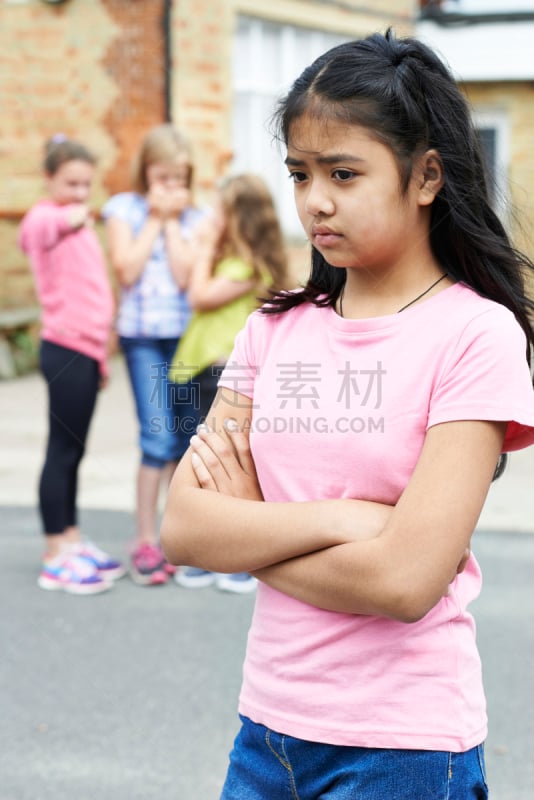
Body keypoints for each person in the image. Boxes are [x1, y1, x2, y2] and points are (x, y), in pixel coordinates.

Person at [160, 30, 534, 798]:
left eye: (343, 172)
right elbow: (185, 531)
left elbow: (405, 582)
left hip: (404, 747)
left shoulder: (474, 334)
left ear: (426, 175)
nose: (314, 200)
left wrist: (251, 531)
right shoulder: (274, 327)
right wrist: (349, 519)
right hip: (266, 735)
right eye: (300, 173)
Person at [170, 174, 287, 594]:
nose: (211, 218)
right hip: (200, 369)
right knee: (205, 464)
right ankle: (209, 555)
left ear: (238, 218)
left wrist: (203, 246)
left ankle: (235, 559)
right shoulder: (231, 261)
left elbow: (198, 295)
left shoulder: (244, 266)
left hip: (221, 374)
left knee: (223, 463)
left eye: (219, 211)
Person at [19, 135, 124, 595]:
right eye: (71, 183)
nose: (81, 193)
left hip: (85, 352)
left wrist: (101, 357)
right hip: (63, 349)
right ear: (50, 179)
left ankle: (72, 540)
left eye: (87, 185)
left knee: (75, 450)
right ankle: (54, 554)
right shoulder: (47, 219)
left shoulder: (78, 225)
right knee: (62, 450)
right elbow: (34, 232)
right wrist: (68, 215)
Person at [102, 124, 205, 586]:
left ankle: (177, 539)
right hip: (143, 340)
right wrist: (159, 221)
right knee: (156, 439)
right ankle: (145, 538)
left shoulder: (197, 219)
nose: (172, 188)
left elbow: (187, 277)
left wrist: (175, 224)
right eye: (163, 177)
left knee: (183, 443)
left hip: (184, 341)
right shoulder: (123, 210)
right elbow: (126, 269)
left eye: (180, 179)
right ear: (145, 173)